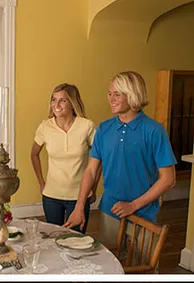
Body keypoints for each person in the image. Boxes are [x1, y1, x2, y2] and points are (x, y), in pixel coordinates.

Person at [65, 71, 177, 240]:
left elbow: (168, 179)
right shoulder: (103, 129)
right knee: (111, 264)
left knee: (143, 265)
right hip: (110, 211)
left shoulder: (154, 131)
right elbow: (90, 171)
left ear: (132, 95)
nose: (111, 99)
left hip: (144, 215)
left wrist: (133, 205)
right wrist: (79, 207)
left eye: (117, 94)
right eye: (109, 94)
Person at [31, 84, 96, 231]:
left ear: (73, 104)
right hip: (51, 196)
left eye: (63, 100)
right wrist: (41, 182)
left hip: (79, 195)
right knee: (53, 239)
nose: (56, 105)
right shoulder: (45, 127)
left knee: (76, 241)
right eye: (54, 100)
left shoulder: (87, 126)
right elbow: (34, 154)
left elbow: (98, 160)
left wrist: (93, 187)